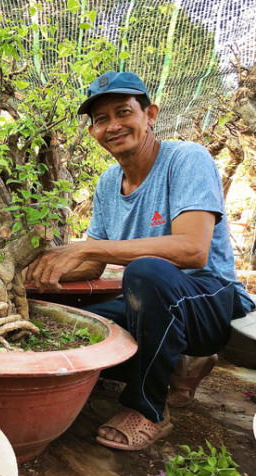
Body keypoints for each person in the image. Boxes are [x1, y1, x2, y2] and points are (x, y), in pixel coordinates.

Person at [26, 71, 255, 451]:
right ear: (93, 131)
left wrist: (86, 248)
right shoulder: (106, 184)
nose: (113, 126)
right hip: (152, 299)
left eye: (123, 112)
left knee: (146, 271)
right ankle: (180, 366)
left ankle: (149, 408)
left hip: (211, 300)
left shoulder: (186, 159)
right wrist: (38, 268)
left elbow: (192, 250)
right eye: (101, 120)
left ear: (150, 115)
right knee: (77, 331)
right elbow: (92, 267)